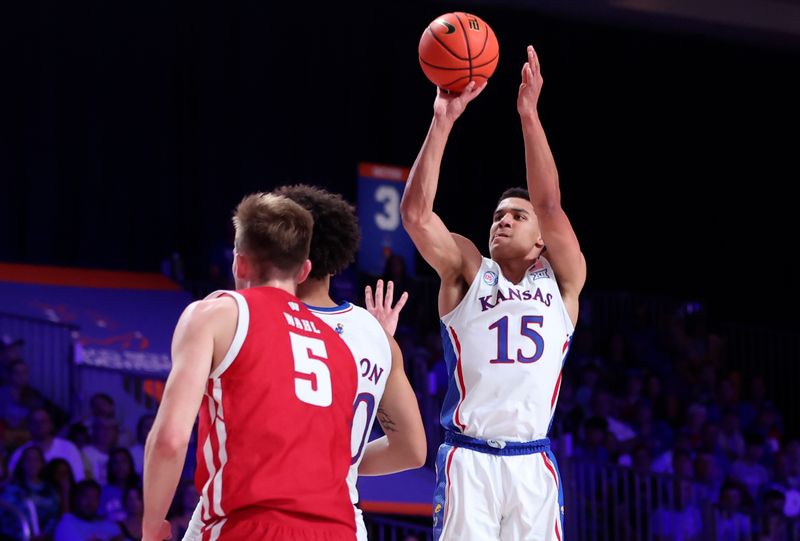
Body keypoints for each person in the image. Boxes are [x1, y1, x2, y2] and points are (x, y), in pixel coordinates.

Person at [400, 45, 586, 541]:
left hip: (533, 461)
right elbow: (416, 218)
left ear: (541, 236)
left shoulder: (563, 279)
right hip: (470, 457)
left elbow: (548, 202)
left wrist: (529, 115)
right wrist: (442, 119)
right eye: (498, 215)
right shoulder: (467, 268)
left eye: (516, 216)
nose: (503, 220)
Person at [183, 184, 426, 541]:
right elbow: (413, 450)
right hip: (341, 521)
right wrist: (340, 466)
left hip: (251, 515)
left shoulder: (246, 316)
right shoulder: (377, 338)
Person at [142, 192, 357, 541]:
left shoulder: (216, 315)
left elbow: (170, 439)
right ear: (304, 270)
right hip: (338, 530)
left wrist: (152, 526)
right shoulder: (339, 347)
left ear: (239, 263)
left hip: (253, 525)